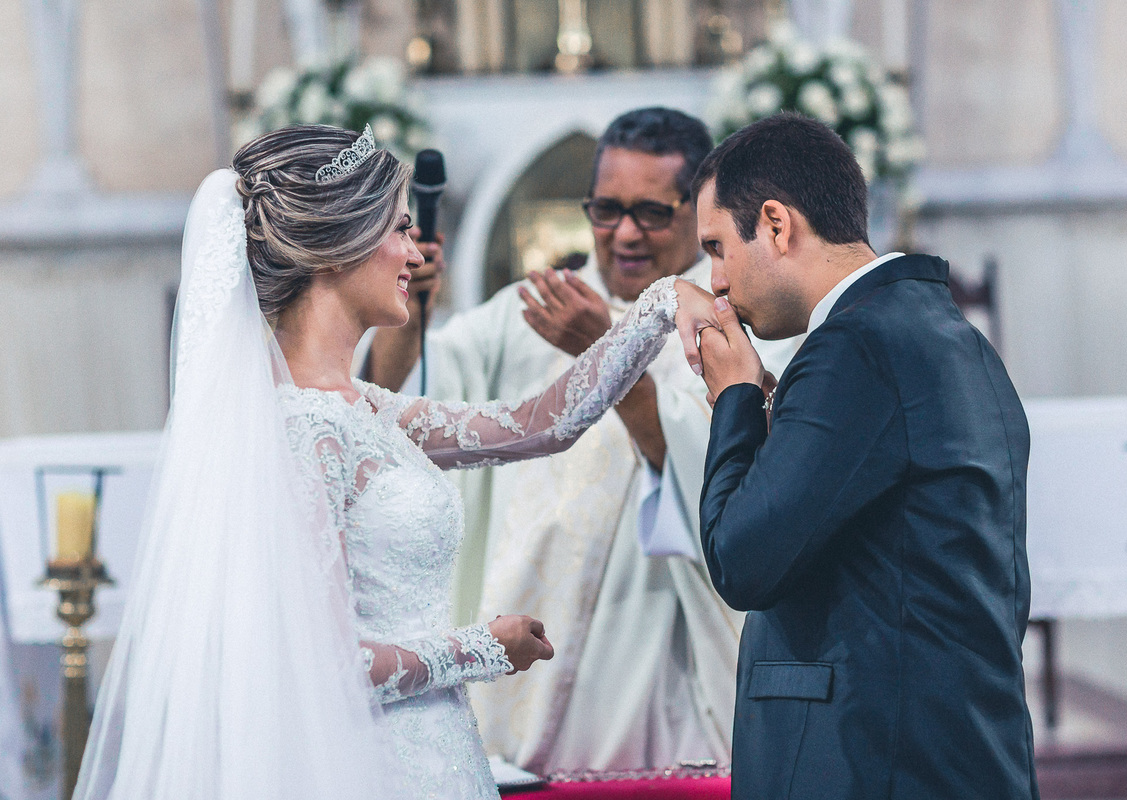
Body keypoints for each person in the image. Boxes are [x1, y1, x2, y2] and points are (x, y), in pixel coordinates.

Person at [72, 124, 719, 800]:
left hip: (437, 751)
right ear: (335, 250)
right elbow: (324, 666)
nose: (416, 251)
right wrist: (482, 649)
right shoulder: (303, 431)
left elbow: (539, 425)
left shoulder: (368, 411)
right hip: (366, 766)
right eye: (399, 230)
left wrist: (659, 306)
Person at [368, 107, 801, 773]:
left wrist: (608, 355)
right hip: (517, 644)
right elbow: (399, 406)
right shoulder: (533, 306)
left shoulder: (732, 323)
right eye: (607, 209)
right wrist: (407, 307)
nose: (625, 233)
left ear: (699, 212)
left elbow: (729, 482)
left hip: (652, 650)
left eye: (651, 213)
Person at [687, 113, 1039, 799]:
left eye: (718, 247)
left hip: (869, 761)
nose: (716, 280)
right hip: (950, 748)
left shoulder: (852, 346)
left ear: (777, 224)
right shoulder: (950, 334)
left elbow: (742, 561)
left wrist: (732, 399)